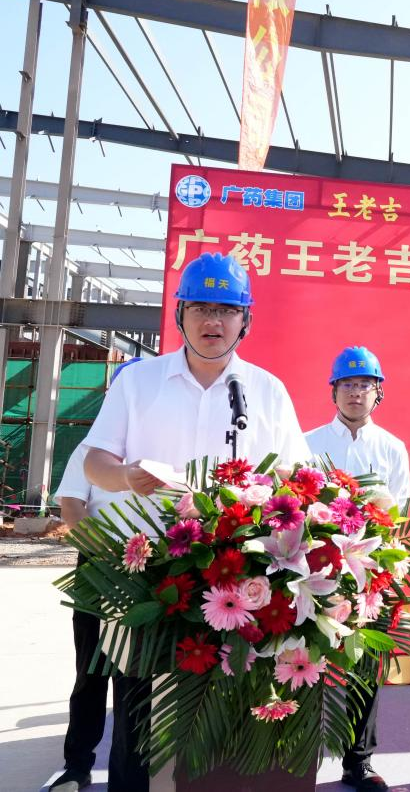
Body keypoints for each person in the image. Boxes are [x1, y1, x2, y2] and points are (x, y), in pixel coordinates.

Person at [80, 252, 310, 791]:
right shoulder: (139, 382)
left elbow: (296, 478)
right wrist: (125, 475)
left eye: (227, 310)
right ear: (179, 314)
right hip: (147, 574)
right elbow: (94, 462)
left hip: (237, 576)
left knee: (218, 713)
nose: (213, 321)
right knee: (137, 713)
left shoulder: (267, 390)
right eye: (201, 308)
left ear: (245, 320)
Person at [306, 345, 410, 791]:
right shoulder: (309, 443)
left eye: (364, 385)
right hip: (314, 572)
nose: (355, 393)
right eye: (347, 384)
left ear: (378, 393)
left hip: (369, 575)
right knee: (303, 661)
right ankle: (298, 754)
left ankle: (359, 762)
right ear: (333, 391)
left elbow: (399, 512)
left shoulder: (392, 448)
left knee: (365, 667)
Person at [47, 359, 140, 792]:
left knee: (135, 677)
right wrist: (107, 556)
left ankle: (131, 774)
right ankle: (77, 765)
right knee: (91, 670)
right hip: (99, 570)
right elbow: (72, 506)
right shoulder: (90, 448)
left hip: (151, 570)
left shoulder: (163, 448)